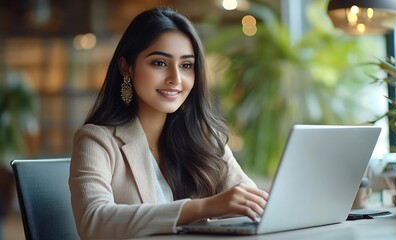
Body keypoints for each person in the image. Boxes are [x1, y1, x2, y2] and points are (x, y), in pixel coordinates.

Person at [69, 7, 268, 239]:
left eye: (186, 66)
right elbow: (93, 221)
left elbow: (252, 203)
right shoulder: (97, 140)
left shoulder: (205, 138)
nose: (175, 78)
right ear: (127, 67)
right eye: (160, 63)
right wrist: (203, 207)